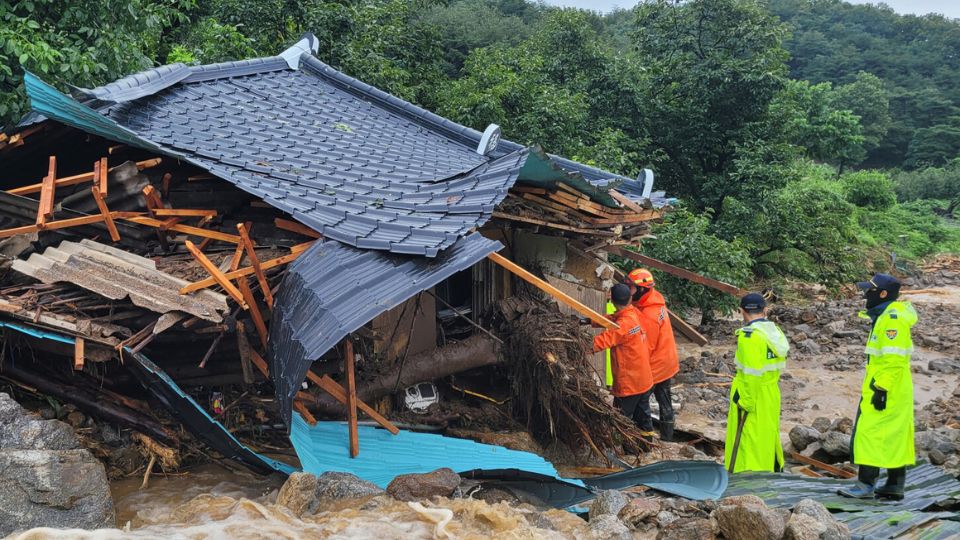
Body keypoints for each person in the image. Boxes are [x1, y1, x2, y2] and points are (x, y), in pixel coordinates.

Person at [839, 273, 917, 500]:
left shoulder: (891, 320)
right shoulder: (887, 316)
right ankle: (894, 484)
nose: (866, 295)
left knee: (868, 433)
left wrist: (880, 389)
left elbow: (893, 360)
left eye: (870, 291)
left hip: (886, 387)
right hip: (894, 387)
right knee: (895, 434)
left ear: (883, 294)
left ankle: (865, 485)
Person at [725, 293, 790, 473]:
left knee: (748, 438)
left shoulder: (750, 336)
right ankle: (770, 469)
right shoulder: (775, 333)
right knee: (766, 435)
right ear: (765, 310)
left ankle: (746, 477)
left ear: (741, 311)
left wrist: (744, 402)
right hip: (771, 393)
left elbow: (751, 374)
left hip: (752, 396)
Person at [626, 268, 680, 441]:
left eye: (630, 287)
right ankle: (668, 439)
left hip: (657, 363)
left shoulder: (649, 315)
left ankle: (644, 439)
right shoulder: (653, 300)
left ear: (642, 289)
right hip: (667, 360)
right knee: (665, 400)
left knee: (640, 403)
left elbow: (644, 348)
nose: (628, 290)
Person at [593, 283, 654, 427]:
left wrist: (576, 343)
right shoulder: (634, 313)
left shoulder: (623, 325)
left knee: (618, 421)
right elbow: (613, 319)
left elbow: (600, 342)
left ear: (612, 301)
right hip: (644, 379)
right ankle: (645, 447)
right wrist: (588, 320)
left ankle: (615, 447)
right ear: (629, 298)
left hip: (630, 383)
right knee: (643, 418)